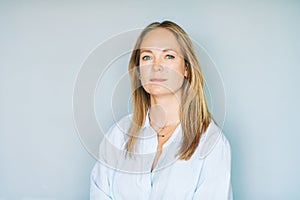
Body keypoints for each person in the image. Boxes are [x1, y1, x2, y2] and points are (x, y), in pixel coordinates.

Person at [90, 21, 233, 200]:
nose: (156, 66)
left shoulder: (211, 144)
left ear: (186, 68)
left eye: (169, 56)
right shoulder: (117, 136)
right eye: (147, 57)